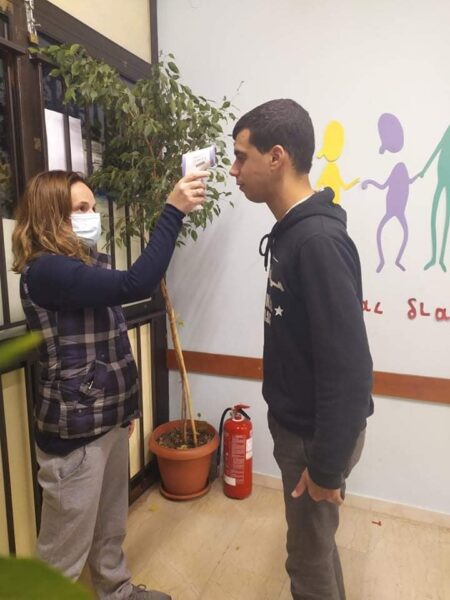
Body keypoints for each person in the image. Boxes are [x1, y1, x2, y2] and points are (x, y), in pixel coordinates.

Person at [11, 169, 208, 600]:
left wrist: (125, 412)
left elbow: (110, 343)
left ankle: (117, 590)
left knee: (110, 524)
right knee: (62, 552)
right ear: (50, 217)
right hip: (75, 431)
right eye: (79, 209)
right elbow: (137, 283)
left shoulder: (85, 266)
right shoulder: (47, 271)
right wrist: (173, 211)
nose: (91, 216)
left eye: (92, 207)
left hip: (106, 417)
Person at [230, 99, 373, 600]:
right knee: (316, 549)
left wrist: (327, 466)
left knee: (306, 565)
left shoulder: (317, 241)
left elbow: (349, 370)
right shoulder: (294, 232)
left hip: (316, 436)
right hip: (300, 427)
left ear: (276, 157)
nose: (233, 171)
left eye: (241, 157)